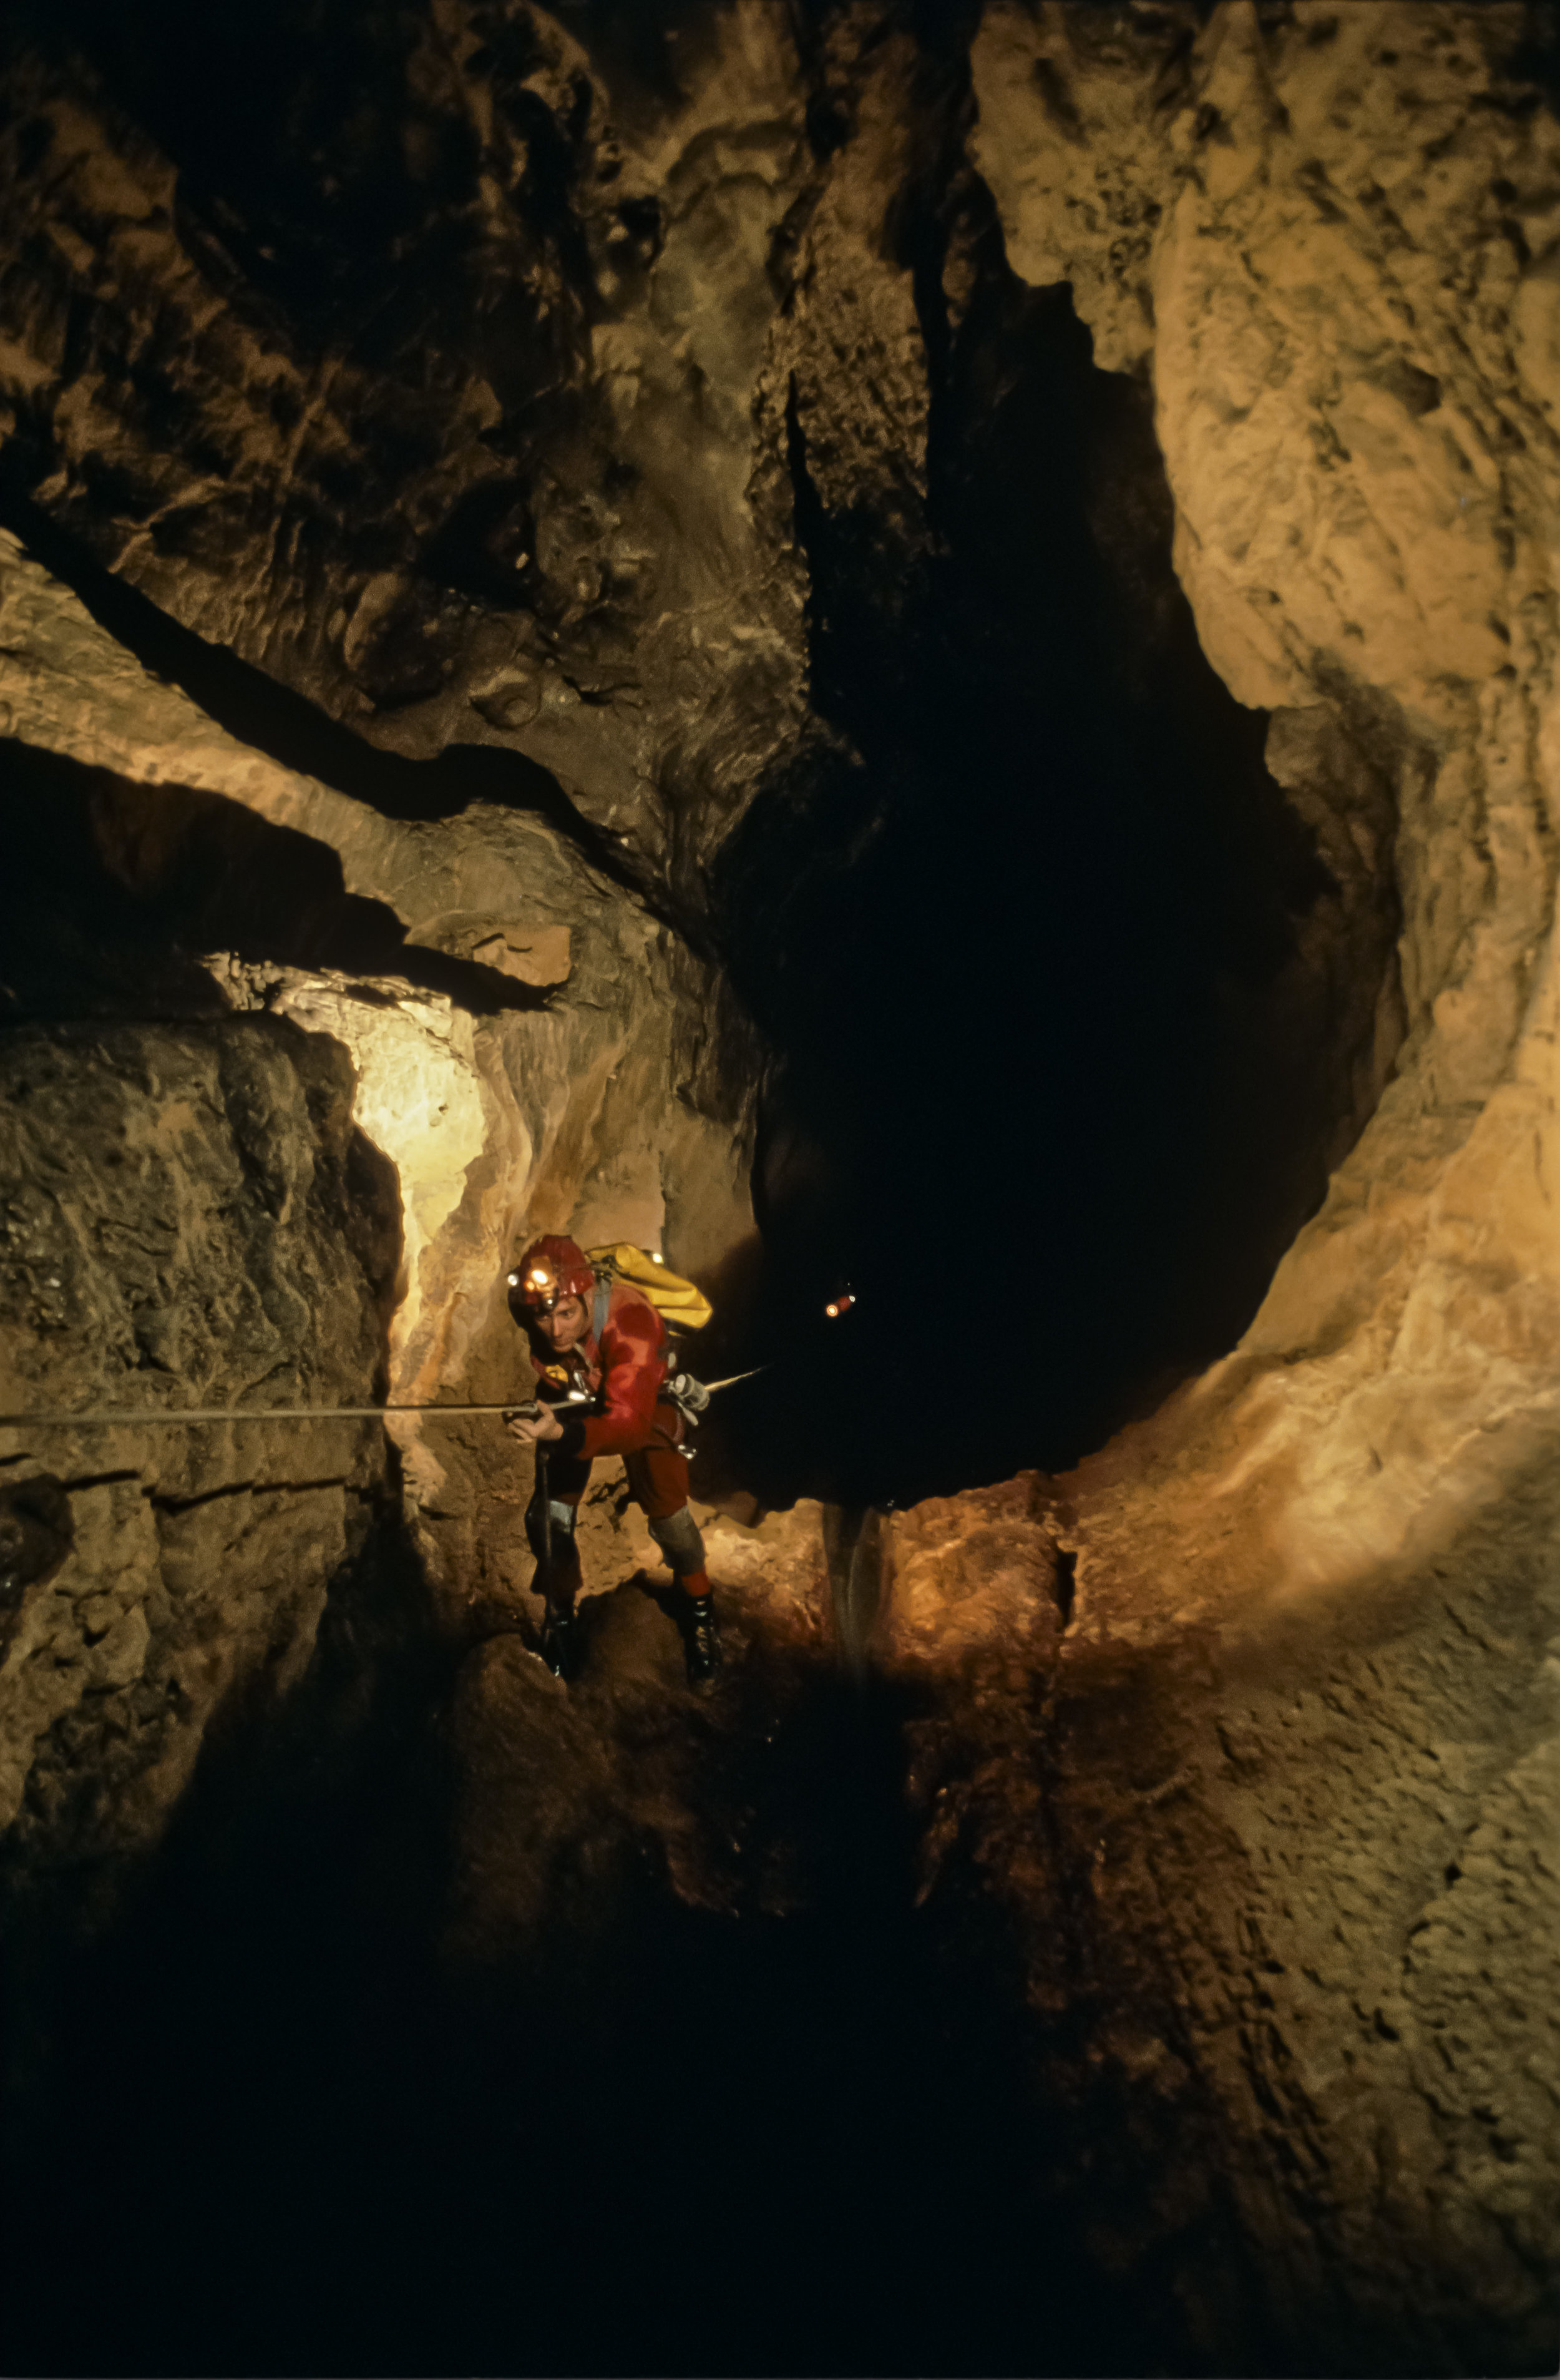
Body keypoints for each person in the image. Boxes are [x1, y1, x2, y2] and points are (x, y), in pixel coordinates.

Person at [505, 1233, 720, 1687]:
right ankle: (560, 1621)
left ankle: (701, 1613)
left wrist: (562, 1432)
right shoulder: (552, 1331)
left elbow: (628, 1423)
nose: (555, 1330)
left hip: (645, 1403)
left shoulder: (632, 1320)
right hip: (577, 1394)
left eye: (566, 1313)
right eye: (543, 1316)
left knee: (671, 1518)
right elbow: (559, 1369)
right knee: (548, 1515)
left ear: (586, 1295)